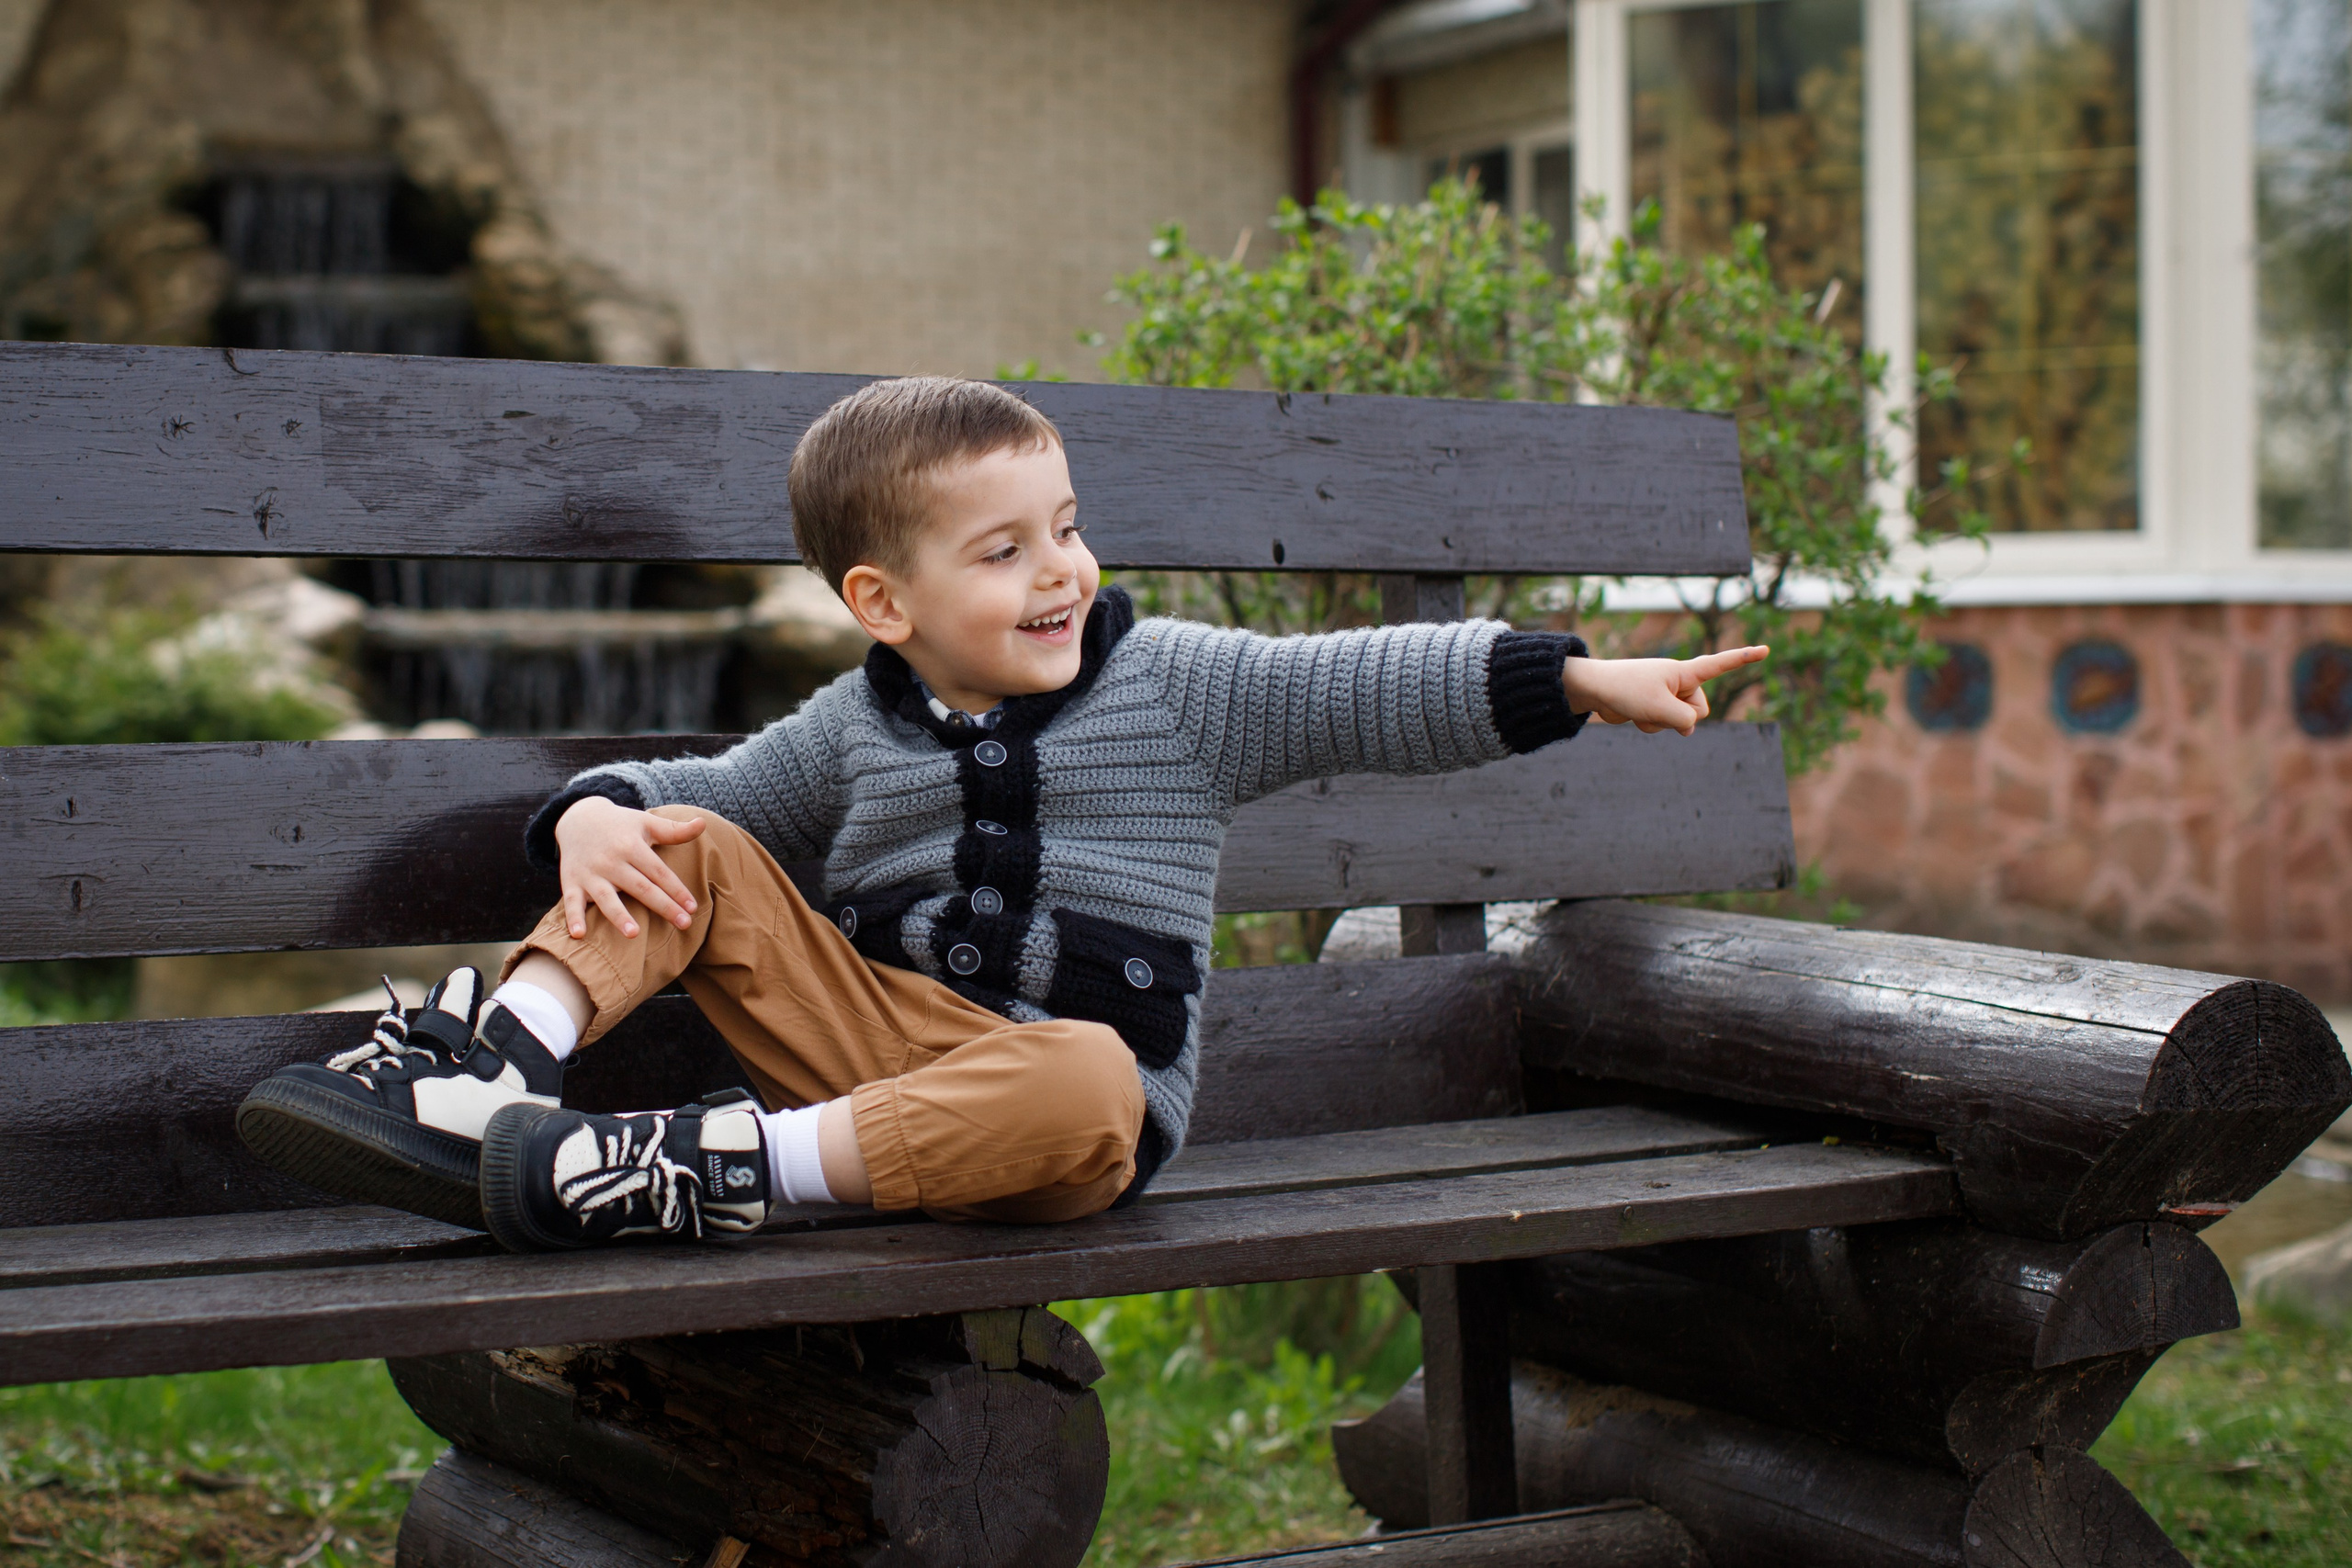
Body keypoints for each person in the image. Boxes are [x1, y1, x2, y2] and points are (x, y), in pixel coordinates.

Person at [236, 377, 1768, 1253]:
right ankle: (488, 1079)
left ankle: (664, 1173)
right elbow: (703, 808)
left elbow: (1360, 683)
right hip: (870, 1047)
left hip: (1053, 1111)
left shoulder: (1174, 685)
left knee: (1088, 1077)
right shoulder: (855, 725)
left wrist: (1573, 679)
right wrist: (589, 817)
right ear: (882, 601)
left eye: (1068, 529)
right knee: (684, 844)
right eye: (1004, 550)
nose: (1061, 571)